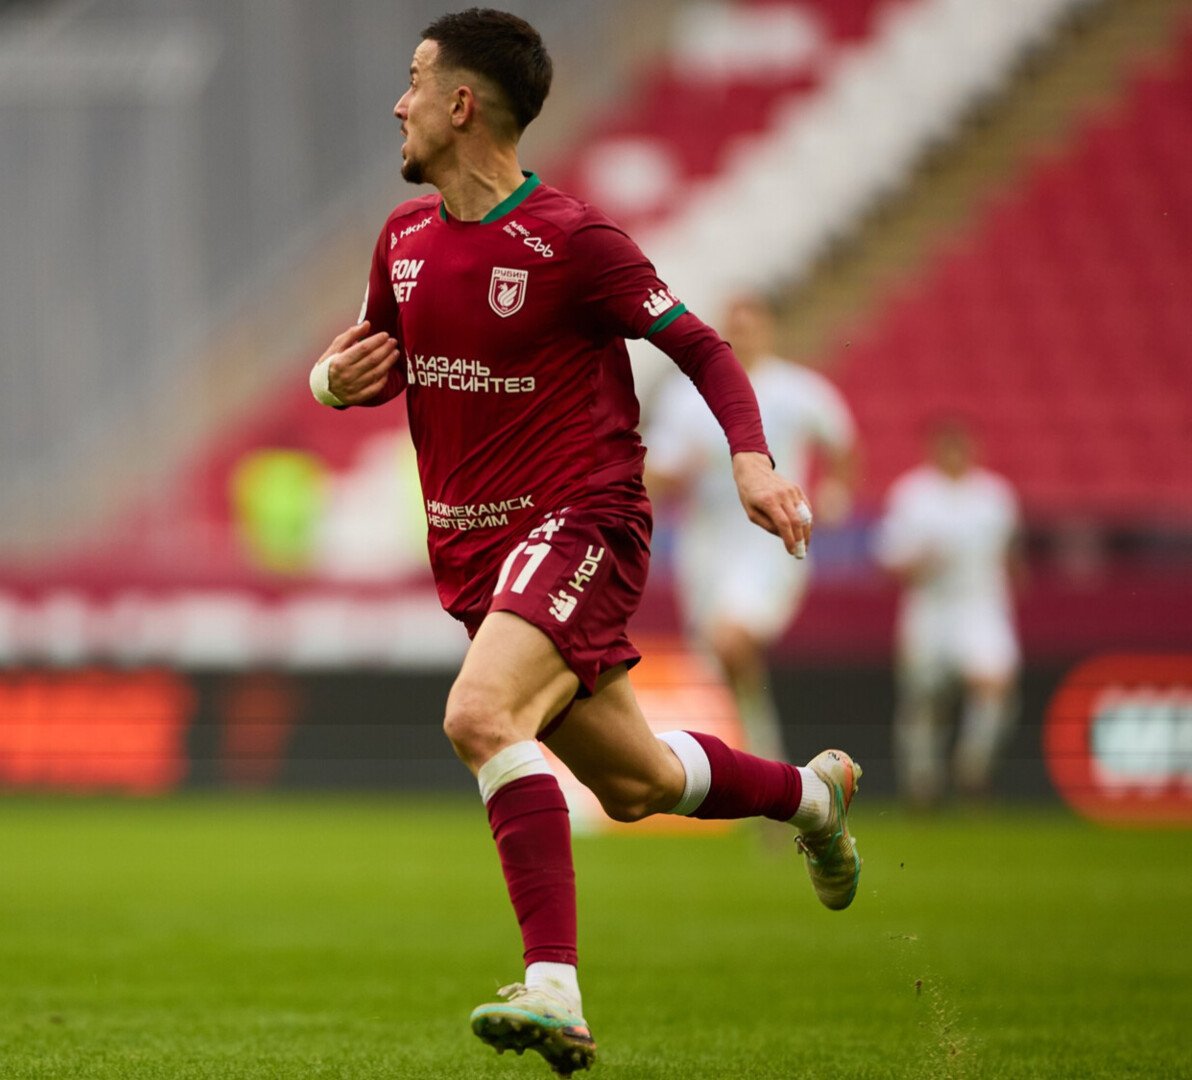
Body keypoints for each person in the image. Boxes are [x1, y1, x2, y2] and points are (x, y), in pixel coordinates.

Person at [307, 11, 860, 1073]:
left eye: (414, 80)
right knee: (637, 785)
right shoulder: (403, 241)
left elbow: (703, 348)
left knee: (479, 715)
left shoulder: (571, 241)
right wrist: (330, 383)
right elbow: (372, 362)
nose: (398, 103)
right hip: (477, 559)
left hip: (581, 523)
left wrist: (751, 461)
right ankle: (812, 797)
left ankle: (553, 988)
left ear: (461, 104)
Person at [645, 293, 857, 763]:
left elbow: (841, 440)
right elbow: (655, 473)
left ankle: (762, 754)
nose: (742, 336)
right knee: (716, 660)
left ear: (769, 330)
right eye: (734, 327)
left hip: (769, 545)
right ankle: (755, 760)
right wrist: (674, 476)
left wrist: (837, 490)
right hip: (705, 548)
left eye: (751, 326)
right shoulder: (687, 396)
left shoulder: (797, 390)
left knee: (731, 640)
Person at [874, 418, 1020, 805]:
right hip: (929, 610)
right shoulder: (912, 495)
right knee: (924, 700)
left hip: (980, 607)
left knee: (994, 685)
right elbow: (889, 560)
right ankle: (922, 781)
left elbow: (1010, 555)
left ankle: (973, 767)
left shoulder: (995, 497)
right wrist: (920, 562)